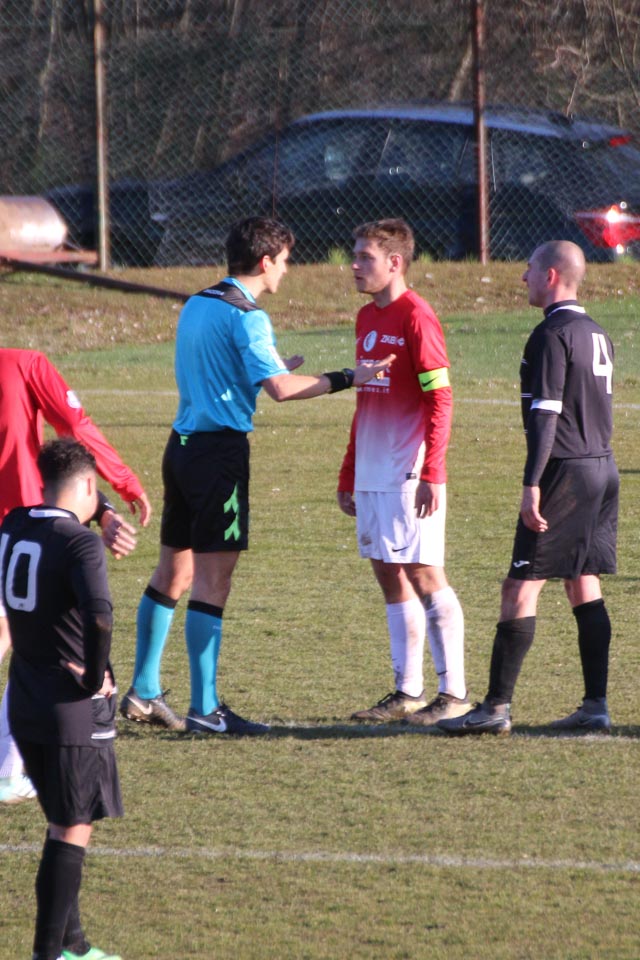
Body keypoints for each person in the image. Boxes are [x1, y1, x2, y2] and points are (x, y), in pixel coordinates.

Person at [119, 215, 395, 735]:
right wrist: (350, 376)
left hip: (181, 450)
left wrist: (270, 367)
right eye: (284, 261)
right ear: (266, 261)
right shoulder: (248, 316)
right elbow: (282, 391)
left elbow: (218, 373)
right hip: (219, 458)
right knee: (213, 579)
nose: (286, 271)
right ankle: (206, 709)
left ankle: (144, 690)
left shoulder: (199, 302)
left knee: (172, 572)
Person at [438, 240, 618, 736]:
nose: (523, 277)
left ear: (552, 275)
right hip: (602, 467)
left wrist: (532, 482)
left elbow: (546, 415)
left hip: (564, 472)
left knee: (519, 587)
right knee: (583, 581)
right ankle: (595, 706)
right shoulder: (596, 332)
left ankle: (495, 708)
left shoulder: (551, 334)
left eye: (530, 269)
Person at [0, 346, 151, 804]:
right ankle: (7, 771)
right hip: (20, 529)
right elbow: (74, 431)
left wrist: (101, 509)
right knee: (26, 638)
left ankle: (8, 769)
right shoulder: (22, 364)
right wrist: (121, 484)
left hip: (19, 528)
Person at [337, 218, 468, 725]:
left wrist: (433, 470)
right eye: (354, 255)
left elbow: (441, 397)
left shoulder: (417, 316)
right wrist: (349, 471)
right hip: (372, 470)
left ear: (395, 263)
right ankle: (408, 691)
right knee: (388, 573)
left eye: (364, 257)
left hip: (408, 471)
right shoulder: (365, 318)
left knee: (424, 572)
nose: (353, 264)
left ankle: (454, 693)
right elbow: (365, 400)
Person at [0, 438, 123, 960]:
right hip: (69, 709)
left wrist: (101, 508)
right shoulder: (80, 544)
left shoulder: (13, 524)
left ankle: (73, 944)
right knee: (72, 830)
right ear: (90, 484)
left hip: (24, 700)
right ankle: (47, 953)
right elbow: (100, 615)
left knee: (59, 823)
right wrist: (95, 676)